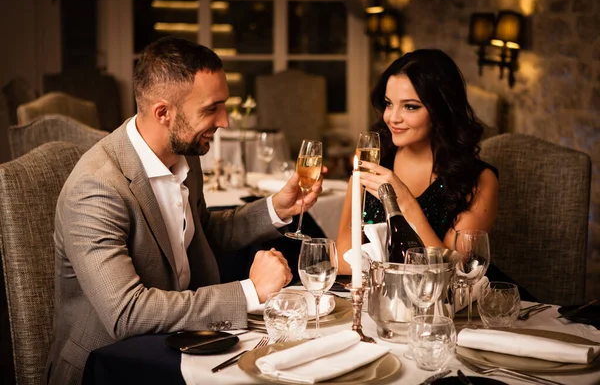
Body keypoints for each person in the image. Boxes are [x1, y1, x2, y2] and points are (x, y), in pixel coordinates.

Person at [45, 36, 324, 384]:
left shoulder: (185, 154)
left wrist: (276, 208)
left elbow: (200, 232)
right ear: (164, 112)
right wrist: (249, 292)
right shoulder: (97, 187)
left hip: (182, 344)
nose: (225, 121)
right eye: (211, 109)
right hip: (111, 365)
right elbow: (126, 313)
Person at [336, 49, 498, 272]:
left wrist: (404, 203)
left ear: (441, 109)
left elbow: (453, 275)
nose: (393, 117)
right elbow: (344, 259)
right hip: (385, 299)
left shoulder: (478, 180)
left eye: (410, 106)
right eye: (389, 103)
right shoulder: (374, 162)